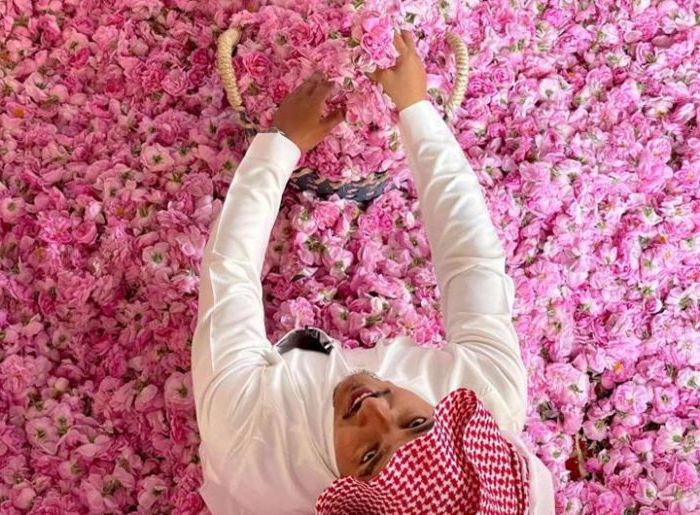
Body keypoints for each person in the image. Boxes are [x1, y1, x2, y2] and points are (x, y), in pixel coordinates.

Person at [192, 31, 555, 514]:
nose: (374, 408)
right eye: (415, 424)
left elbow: (229, 273)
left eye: (368, 456)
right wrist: (416, 109)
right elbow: (471, 261)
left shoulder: (250, 439)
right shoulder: (487, 400)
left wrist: (279, 145)